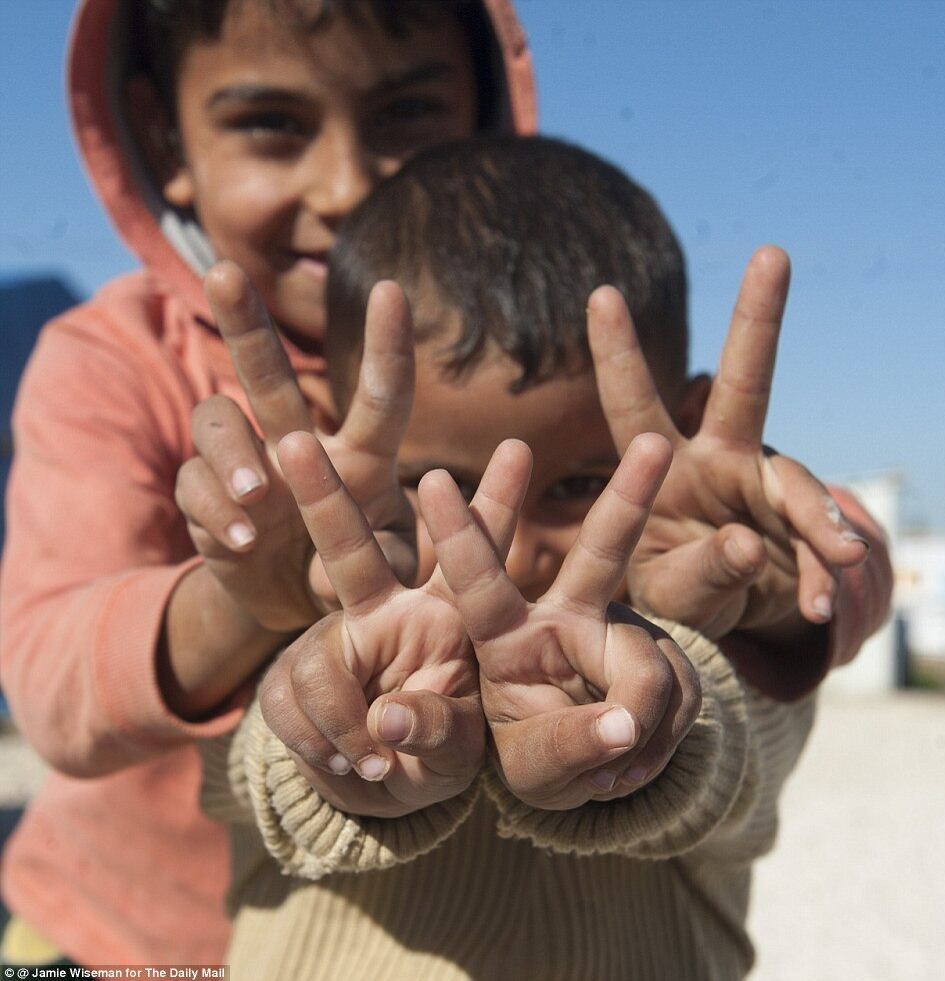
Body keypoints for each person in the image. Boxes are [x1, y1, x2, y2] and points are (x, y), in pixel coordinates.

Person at [196, 136, 893, 979]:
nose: (512, 550)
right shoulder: (320, 617)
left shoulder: (698, 657)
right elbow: (252, 775)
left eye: (583, 484)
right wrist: (343, 736)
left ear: (685, 428)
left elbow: (735, 747)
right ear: (336, 434)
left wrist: (640, 715)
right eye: (442, 483)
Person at [0, 0, 536, 967]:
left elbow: (685, 508)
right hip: (121, 940)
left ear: (484, 121)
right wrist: (247, 593)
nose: (345, 187)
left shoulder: (541, 353)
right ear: (166, 135)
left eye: (407, 115)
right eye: (272, 127)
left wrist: (789, 574)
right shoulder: (108, 362)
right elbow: (47, 681)